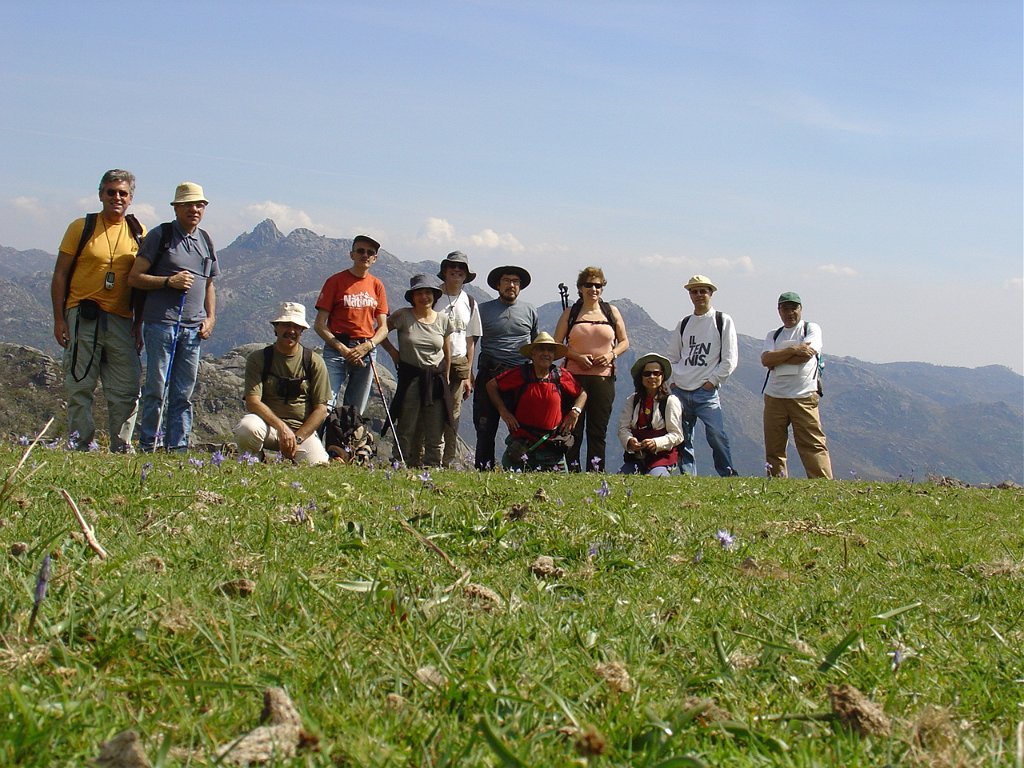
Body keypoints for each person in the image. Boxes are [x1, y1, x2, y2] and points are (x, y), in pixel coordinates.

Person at [50, 169, 146, 452]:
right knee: (80, 383)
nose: (117, 197)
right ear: (101, 194)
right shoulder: (81, 227)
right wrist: (59, 319)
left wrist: (138, 323)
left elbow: (140, 283)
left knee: (127, 387)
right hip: (83, 315)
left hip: (121, 318)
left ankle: (121, 445)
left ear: (131, 198)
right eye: (111, 192)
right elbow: (60, 274)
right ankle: (80, 443)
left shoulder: (139, 233)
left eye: (123, 193)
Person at [128, 182, 218, 452]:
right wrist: (169, 282)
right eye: (189, 204)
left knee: (183, 393)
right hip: (162, 324)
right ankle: (148, 445)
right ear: (177, 208)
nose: (195, 209)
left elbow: (209, 283)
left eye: (199, 204)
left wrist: (211, 318)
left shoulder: (205, 239)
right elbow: (135, 278)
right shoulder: (161, 235)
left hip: (193, 328)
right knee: (156, 389)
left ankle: (177, 449)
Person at [234, 302, 331, 465]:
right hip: (268, 427)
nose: (291, 331)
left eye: (296, 326)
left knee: (318, 467)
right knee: (246, 428)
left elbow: (321, 409)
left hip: (301, 432)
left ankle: (288, 459)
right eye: (286, 325)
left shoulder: (314, 362)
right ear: (276, 328)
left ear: (302, 330)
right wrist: (282, 428)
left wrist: (297, 438)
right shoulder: (258, 359)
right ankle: (252, 462)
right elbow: (253, 402)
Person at [553, 266, 629, 472]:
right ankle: (573, 471)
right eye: (589, 285)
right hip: (573, 378)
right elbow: (556, 345)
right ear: (580, 287)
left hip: (603, 379)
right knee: (572, 429)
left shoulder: (611, 312)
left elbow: (624, 342)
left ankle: (596, 473)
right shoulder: (571, 313)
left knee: (598, 430)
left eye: (598, 285)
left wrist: (610, 355)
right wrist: (577, 357)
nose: (594, 289)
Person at [666, 274, 740, 476]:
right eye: (694, 291)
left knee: (716, 434)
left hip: (706, 392)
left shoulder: (722, 320)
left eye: (703, 291)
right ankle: (687, 475)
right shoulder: (684, 323)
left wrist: (712, 382)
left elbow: (730, 358)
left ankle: (727, 473)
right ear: (689, 294)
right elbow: (672, 357)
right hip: (680, 390)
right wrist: (672, 383)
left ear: (711, 293)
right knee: (681, 436)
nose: (698, 295)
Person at [380, 274, 454, 467]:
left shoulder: (444, 320)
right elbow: (380, 332)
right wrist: (394, 353)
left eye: (428, 293)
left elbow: (447, 350)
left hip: (435, 379)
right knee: (406, 425)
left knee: (435, 427)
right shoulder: (402, 316)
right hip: (411, 377)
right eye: (419, 293)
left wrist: (446, 375)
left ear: (434, 296)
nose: (424, 297)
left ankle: (432, 465)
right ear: (412, 296)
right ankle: (400, 462)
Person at [486, 332, 586, 471]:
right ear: (533, 353)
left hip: (552, 446)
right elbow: (492, 385)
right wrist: (503, 411)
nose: (546, 353)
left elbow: (582, 393)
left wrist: (575, 411)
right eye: (541, 349)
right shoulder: (521, 374)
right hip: (522, 444)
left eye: (550, 350)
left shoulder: (561, 375)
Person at [313, 235, 390, 415]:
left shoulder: (377, 286)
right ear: (352, 254)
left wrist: (367, 346)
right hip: (337, 349)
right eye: (360, 251)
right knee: (324, 406)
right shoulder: (335, 282)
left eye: (370, 253)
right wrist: (342, 349)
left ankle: (344, 443)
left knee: (354, 411)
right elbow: (319, 324)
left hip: (366, 350)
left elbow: (383, 327)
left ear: (375, 258)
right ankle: (315, 443)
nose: (365, 255)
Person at [760, 292, 833, 479]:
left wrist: (779, 358)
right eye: (785, 308)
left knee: (812, 444)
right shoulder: (772, 335)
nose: (790, 312)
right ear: (779, 311)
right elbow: (766, 360)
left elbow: (807, 354)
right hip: (774, 396)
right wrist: (793, 350)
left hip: (804, 396)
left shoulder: (811, 328)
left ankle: (822, 485)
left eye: (794, 308)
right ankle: (776, 483)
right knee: (774, 446)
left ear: (801, 309)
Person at [473, 265, 538, 469]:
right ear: (498, 285)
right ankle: (484, 469)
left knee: (523, 427)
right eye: (507, 281)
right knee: (485, 426)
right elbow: (471, 342)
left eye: (516, 282)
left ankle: (520, 468)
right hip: (490, 373)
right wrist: (468, 373)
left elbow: (535, 344)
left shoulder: (530, 310)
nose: (511, 285)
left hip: (521, 376)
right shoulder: (482, 310)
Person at [434, 251, 482, 466]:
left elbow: (471, 339)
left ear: (466, 275)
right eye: (452, 267)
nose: (457, 271)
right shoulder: (433, 297)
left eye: (461, 268)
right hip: (434, 362)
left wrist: (468, 374)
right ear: (444, 271)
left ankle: (449, 460)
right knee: (431, 410)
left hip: (459, 363)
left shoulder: (470, 302)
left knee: (453, 413)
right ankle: (430, 457)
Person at [617, 353, 683, 476]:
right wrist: (630, 441)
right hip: (637, 457)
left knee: (655, 478)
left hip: (661, 457)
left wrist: (656, 443)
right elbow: (623, 428)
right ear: (641, 377)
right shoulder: (632, 400)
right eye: (647, 374)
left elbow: (677, 435)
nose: (652, 377)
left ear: (662, 376)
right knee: (621, 479)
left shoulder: (670, 401)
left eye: (656, 373)